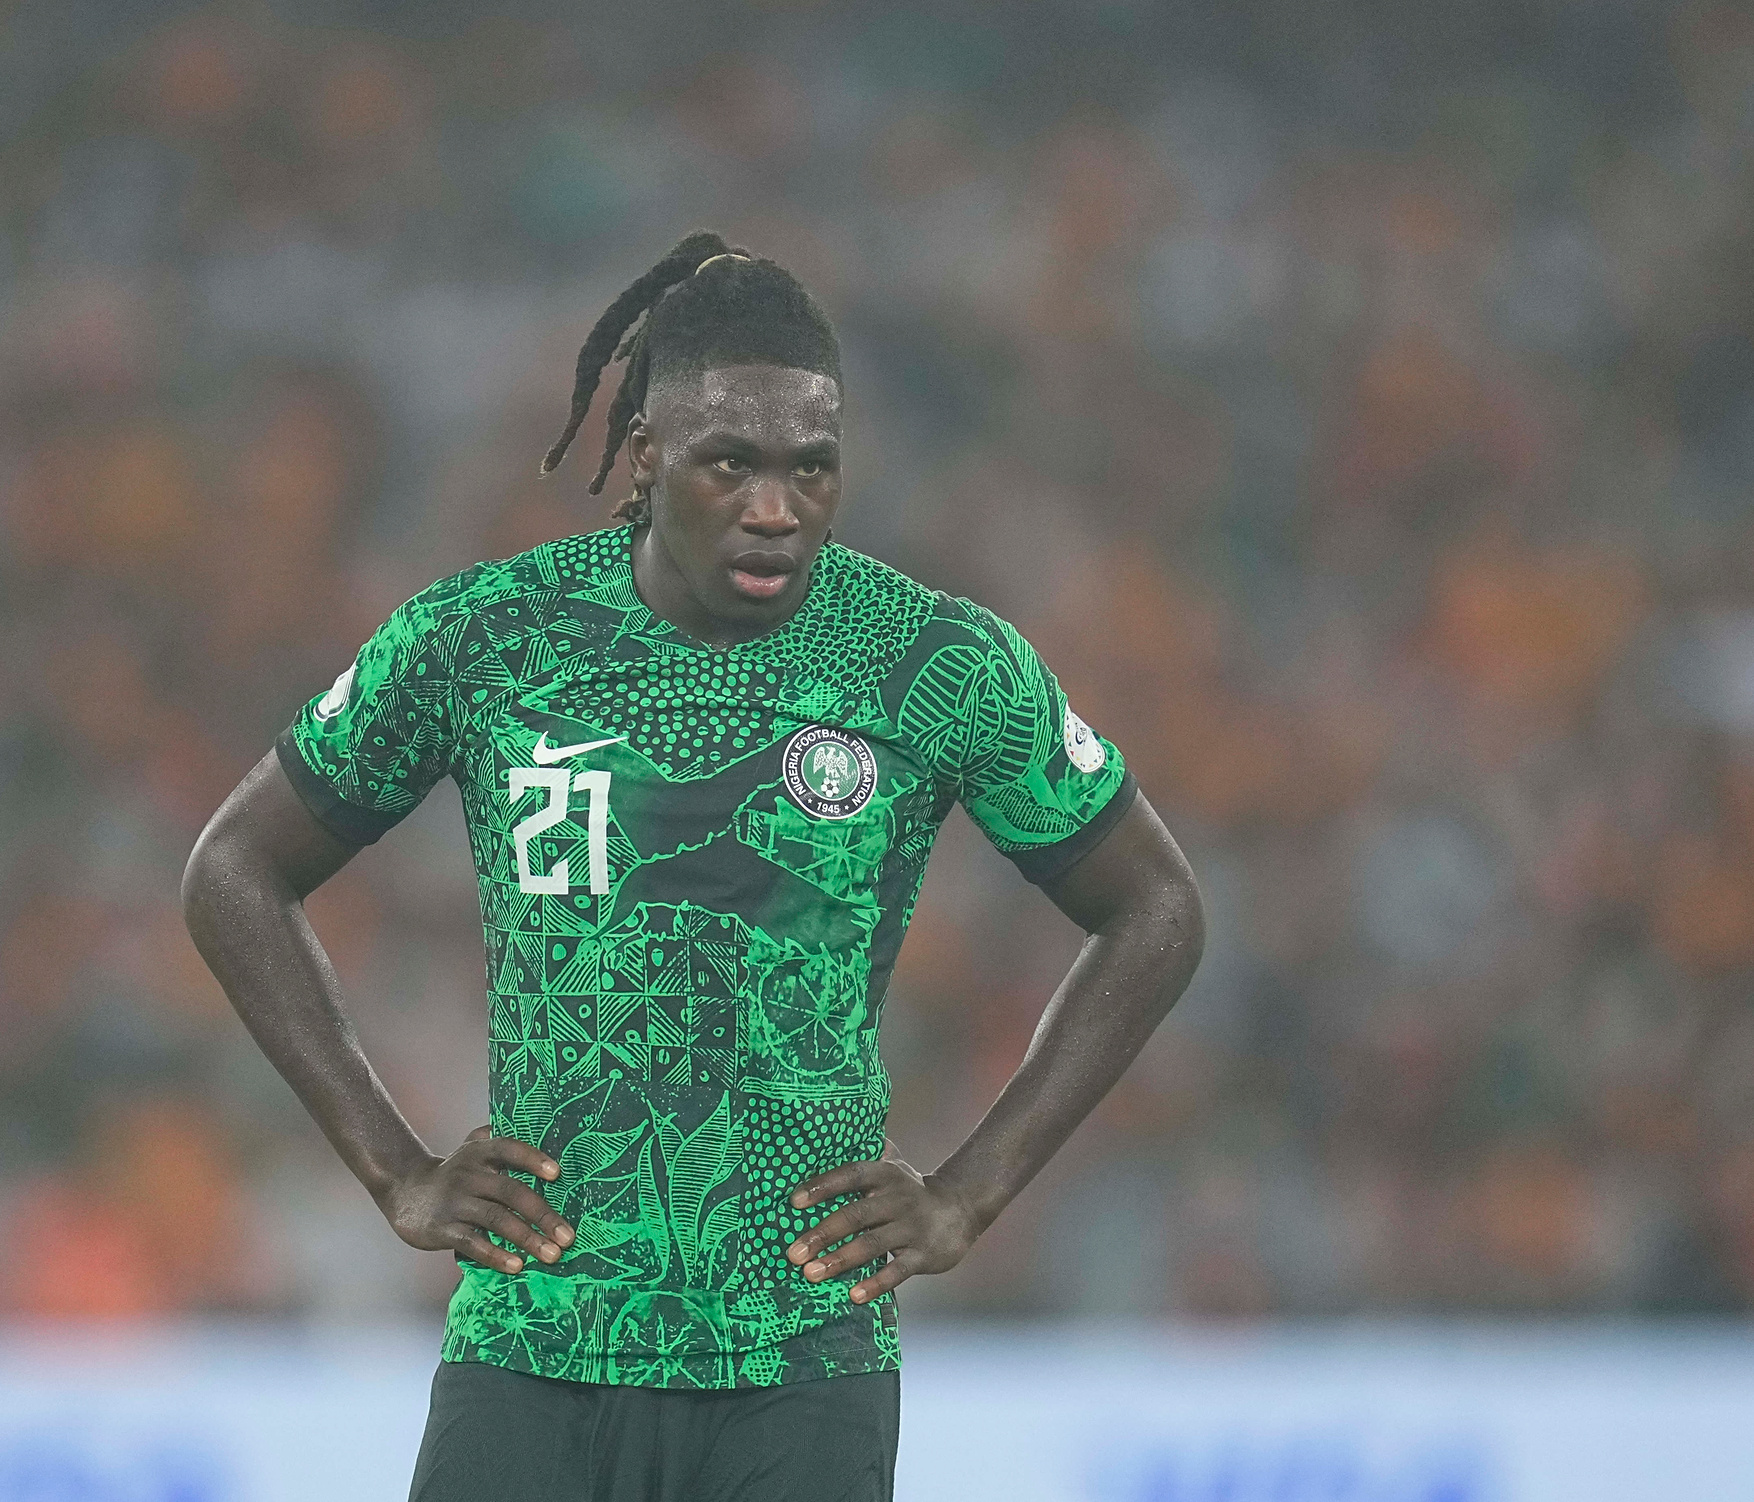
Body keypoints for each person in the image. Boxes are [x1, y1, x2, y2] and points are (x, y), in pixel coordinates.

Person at [181, 230, 1205, 1501]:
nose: (776, 507)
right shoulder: (486, 638)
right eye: (731, 463)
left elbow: (1155, 907)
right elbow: (234, 870)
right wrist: (394, 1167)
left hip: (801, 1359)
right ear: (650, 454)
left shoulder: (934, 660)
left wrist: (969, 1193)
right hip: (534, 1344)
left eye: (811, 469)